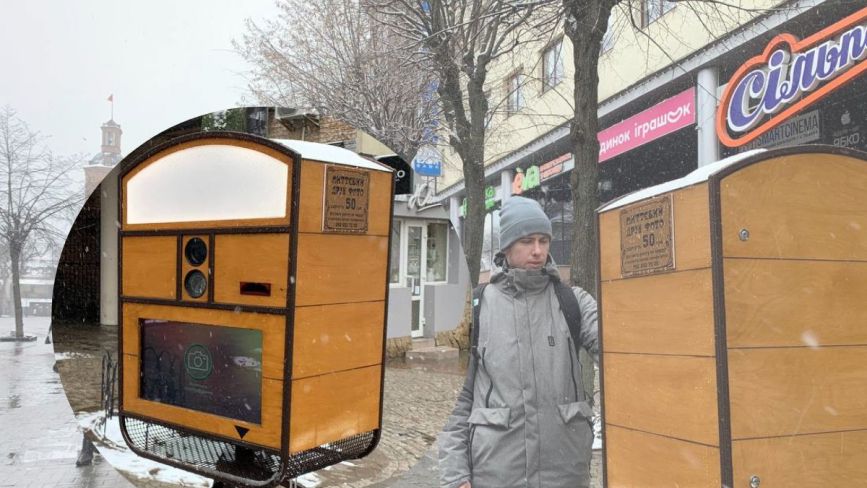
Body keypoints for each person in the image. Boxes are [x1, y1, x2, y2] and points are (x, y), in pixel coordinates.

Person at [438, 196, 599, 488]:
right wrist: (456, 475)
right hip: (497, 473)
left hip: (564, 474)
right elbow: (458, 401)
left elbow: (622, 352)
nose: (537, 250)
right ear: (507, 247)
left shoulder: (574, 302)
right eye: (526, 241)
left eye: (543, 241)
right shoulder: (477, 308)